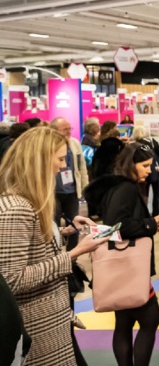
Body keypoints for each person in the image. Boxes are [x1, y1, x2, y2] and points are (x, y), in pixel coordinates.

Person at [0, 127, 108, 366]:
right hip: (37, 327)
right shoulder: (16, 207)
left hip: (50, 321)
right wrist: (74, 253)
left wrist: (63, 232)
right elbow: (10, 279)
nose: (62, 166)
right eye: (59, 158)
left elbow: (28, 244)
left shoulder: (27, 202)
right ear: (38, 161)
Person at [84, 143, 159, 366]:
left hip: (122, 266)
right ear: (130, 165)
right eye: (144, 165)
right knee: (150, 319)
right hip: (130, 267)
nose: (149, 170)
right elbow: (118, 226)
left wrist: (152, 224)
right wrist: (151, 223)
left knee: (124, 323)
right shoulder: (125, 188)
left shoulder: (116, 186)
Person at [51, 117, 90, 251]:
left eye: (70, 129)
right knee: (53, 224)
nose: (69, 132)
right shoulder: (49, 146)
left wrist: (84, 188)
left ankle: (73, 253)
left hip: (72, 191)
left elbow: (81, 167)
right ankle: (54, 253)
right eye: (65, 129)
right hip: (53, 192)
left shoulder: (74, 143)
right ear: (54, 130)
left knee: (75, 224)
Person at [132, 126, 159, 216]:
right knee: (157, 195)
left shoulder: (134, 145)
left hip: (141, 173)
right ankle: (156, 215)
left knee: (143, 195)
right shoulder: (152, 141)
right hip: (155, 171)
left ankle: (143, 215)